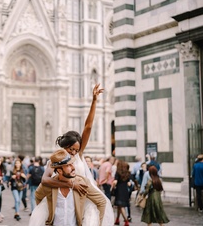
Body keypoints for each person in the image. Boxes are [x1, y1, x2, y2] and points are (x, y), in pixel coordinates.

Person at [32, 83, 114, 226]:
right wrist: (70, 183)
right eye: (71, 150)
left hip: (85, 198)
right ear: (65, 147)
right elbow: (45, 180)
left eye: (77, 150)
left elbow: (88, 126)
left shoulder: (79, 154)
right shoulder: (56, 160)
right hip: (63, 199)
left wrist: (94, 101)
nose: (74, 153)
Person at [33, 149, 106, 226]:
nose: (73, 167)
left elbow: (101, 201)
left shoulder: (82, 182)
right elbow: (38, 196)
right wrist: (46, 215)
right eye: (68, 165)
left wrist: (98, 223)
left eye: (72, 163)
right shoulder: (49, 184)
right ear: (59, 171)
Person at [112, 160, 132, 226]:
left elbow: (115, 182)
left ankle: (126, 221)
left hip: (119, 190)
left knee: (121, 206)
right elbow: (129, 183)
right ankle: (117, 219)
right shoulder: (128, 173)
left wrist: (113, 186)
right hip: (125, 191)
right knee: (119, 205)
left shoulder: (118, 173)